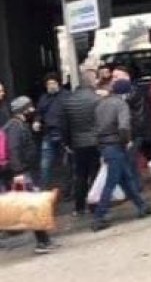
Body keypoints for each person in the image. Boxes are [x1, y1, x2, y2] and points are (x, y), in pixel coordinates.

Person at [91, 79, 151, 231]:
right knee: (112, 181)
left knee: (125, 177)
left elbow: (94, 127)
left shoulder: (100, 104)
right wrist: (126, 141)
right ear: (125, 93)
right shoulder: (121, 105)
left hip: (105, 146)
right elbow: (124, 126)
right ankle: (99, 216)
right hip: (116, 145)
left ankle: (142, 206)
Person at [2, 97, 59, 254]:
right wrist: (18, 172)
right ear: (24, 109)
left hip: (24, 171)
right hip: (22, 173)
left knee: (32, 206)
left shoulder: (16, 125)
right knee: (32, 206)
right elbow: (14, 150)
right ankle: (43, 242)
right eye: (30, 107)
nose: (32, 110)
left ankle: (44, 240)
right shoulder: (15, 126)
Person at [60, 69, 101, 217]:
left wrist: (67, 143)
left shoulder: (68, 101)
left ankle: (79, 206)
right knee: (95, 174)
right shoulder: (96, 99)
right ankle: (94, 205)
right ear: (91, 82)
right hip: (95, 142)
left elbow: (64, 126)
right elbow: (100, 122)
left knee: (80, 175)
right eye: (96, 79)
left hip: (77, 144)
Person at [34, 73, 67, 190]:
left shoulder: (66, 96)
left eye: (53, 83)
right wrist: (37, 121)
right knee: (45, 164)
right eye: (48, 84)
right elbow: (39, 112)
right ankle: (44, 189)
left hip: (64, 134)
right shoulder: (44, 98)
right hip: (48, 133)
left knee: (66, 164)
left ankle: (67, 190)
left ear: (58, 83)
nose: (51, 86)